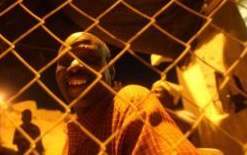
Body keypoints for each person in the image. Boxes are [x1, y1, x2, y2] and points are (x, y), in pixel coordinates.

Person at [55, 32, 198, 154]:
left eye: (88, 58)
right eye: (65, 61)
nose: (73, 66)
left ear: (110, 71)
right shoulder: (71, 134)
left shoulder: (130, 102)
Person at [151, 80, 200, 146]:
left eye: (156, 92)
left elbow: (189, 125)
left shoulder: (185, 115)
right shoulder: (153, 114)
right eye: (151, 92)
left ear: (170, 97)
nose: (152, 95)